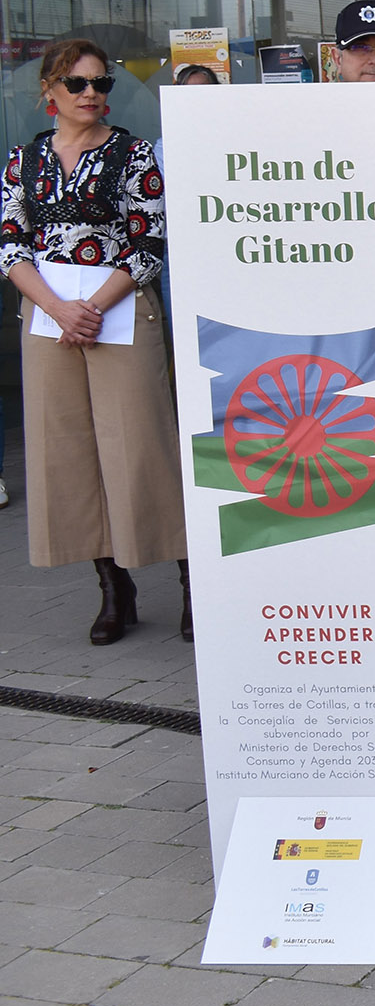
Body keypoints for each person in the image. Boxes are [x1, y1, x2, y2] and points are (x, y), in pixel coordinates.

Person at [0, 40, 190, 643]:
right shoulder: (22, 161)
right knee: (68, 454)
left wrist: (93, 307)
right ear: (49, 92)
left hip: (122, 310)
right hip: (48, 318)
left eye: (101, 83)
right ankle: (113, 587)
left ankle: (189, 582)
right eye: (78, 84)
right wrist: (57, 308)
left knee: (141, 446)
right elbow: (10, 242)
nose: (92, 94)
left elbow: (150, 239)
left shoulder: (133, 154)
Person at [153, 63, 220, 332]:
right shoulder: (164, 145)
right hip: (179, 251)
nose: (197, 100)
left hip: (220, 248)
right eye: (188, 94)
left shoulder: (234, 138)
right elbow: (177, 195)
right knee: (185, 332)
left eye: (204, 92)